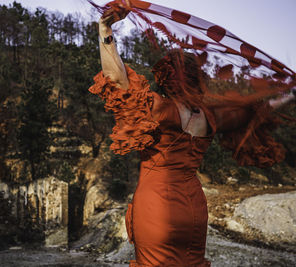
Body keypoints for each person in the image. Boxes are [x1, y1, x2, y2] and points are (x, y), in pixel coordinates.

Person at [89, 2, 296, 266]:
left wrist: (105, 29)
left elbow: (116, 79)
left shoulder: (159, 109)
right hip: (193, 210)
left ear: (167, 78)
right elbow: (262, 108)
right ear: (196, 78)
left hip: (157, 208)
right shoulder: (211, 117)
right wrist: (291, 93)